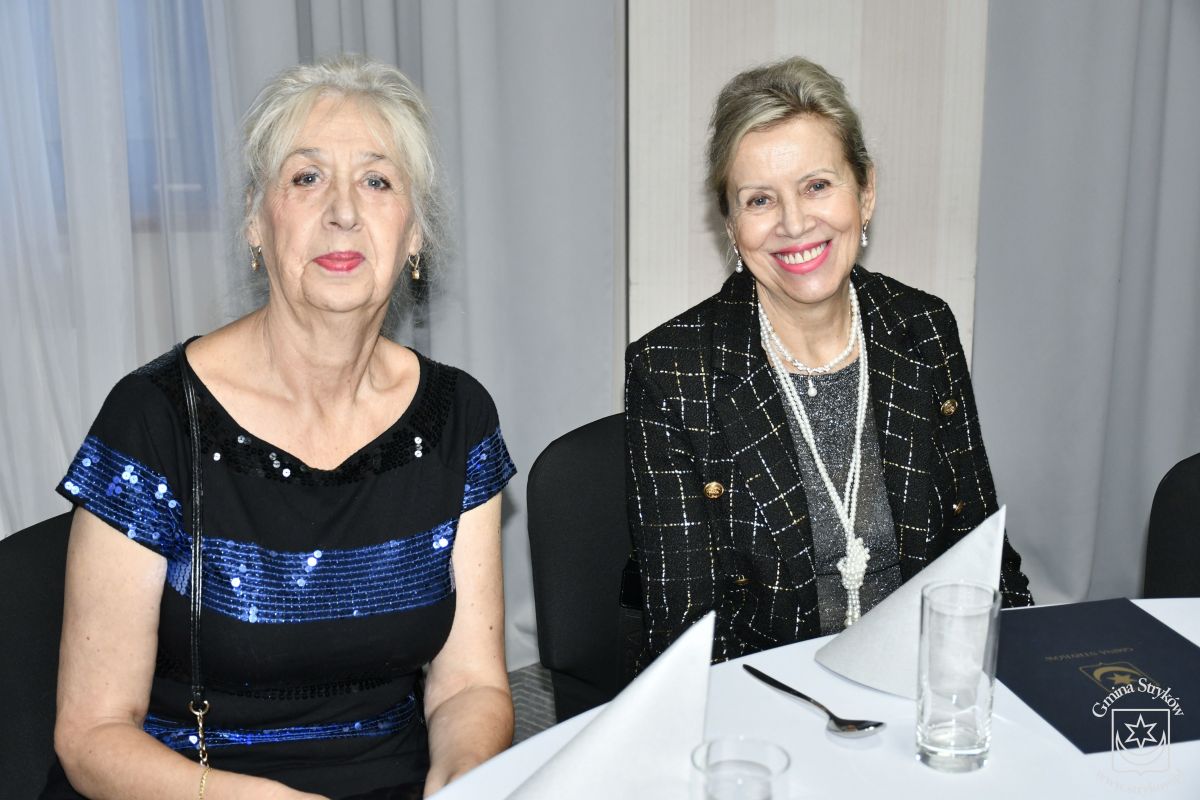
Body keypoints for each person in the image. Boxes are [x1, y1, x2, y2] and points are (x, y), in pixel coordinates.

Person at [45, 56, 515, 799]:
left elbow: (469, 687)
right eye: (306, 177)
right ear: (255, 223)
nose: (343, 211)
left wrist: (461, 783)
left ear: (415, 234)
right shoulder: (154, 418)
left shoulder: (458, 416)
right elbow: (92, 734)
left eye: (377, 181)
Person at [625, 56, 1033, 669]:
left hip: (921, 678)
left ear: (865, 194)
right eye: (760, 200)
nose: (794, 223)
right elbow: (688, 635)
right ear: (731, 225)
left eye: (817, 186)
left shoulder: (922, 328)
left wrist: (1027, 674)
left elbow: (981, 553)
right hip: (762, 695)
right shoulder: (671, 370)